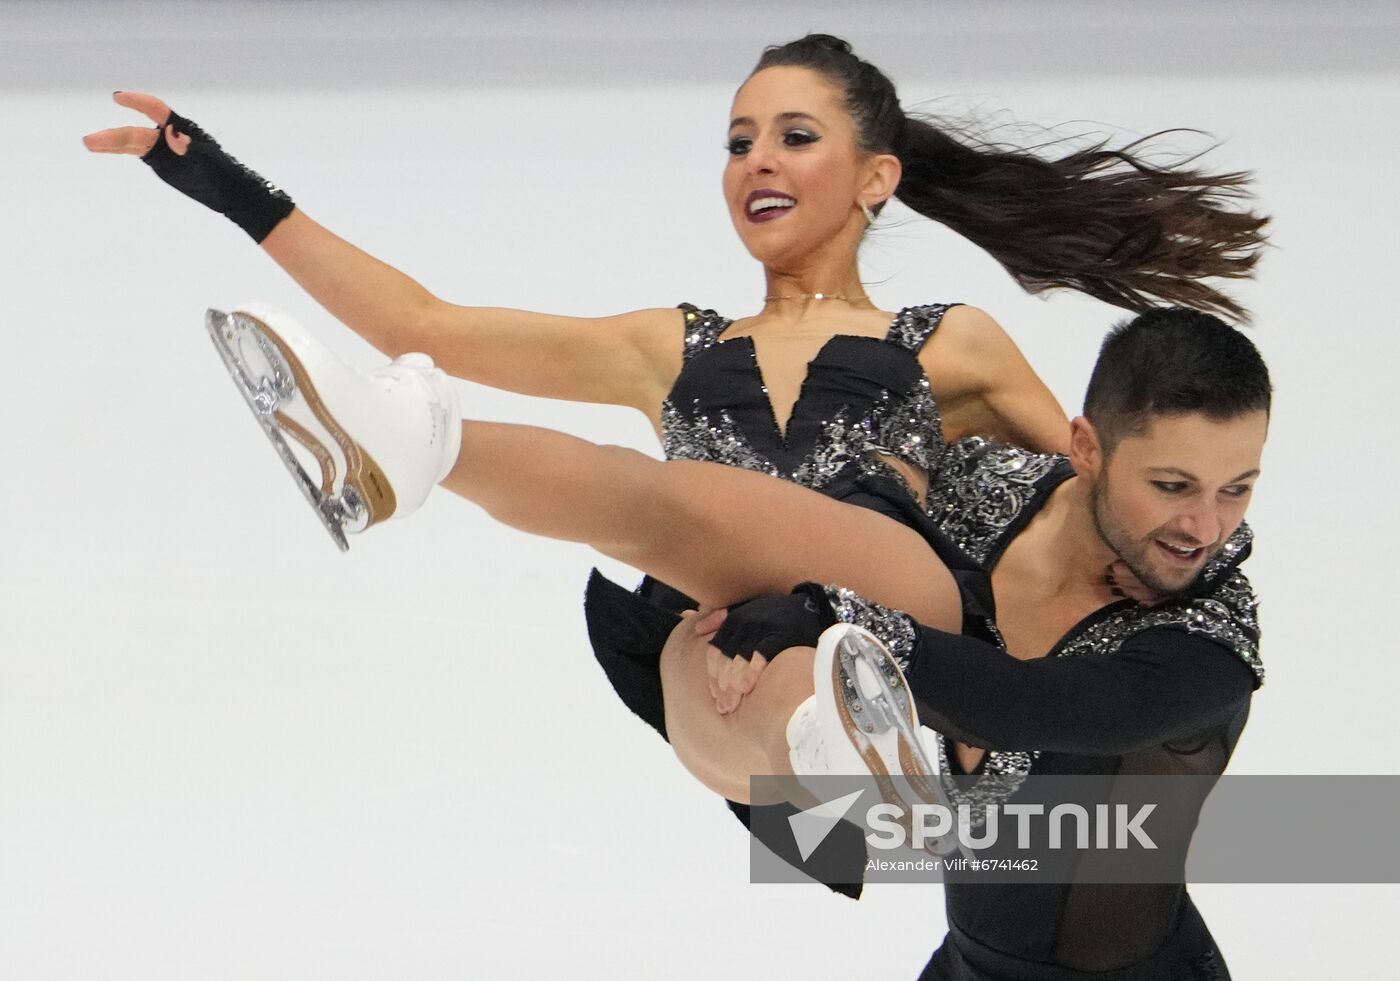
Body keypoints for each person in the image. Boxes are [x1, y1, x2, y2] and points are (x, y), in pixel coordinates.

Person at [684, 306, 1268, 979]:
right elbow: (838, 491)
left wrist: (831, 612)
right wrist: (776, 595)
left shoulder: (1212, 632)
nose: (1204, 524)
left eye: (1237, 489)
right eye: (1172, 485)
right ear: (1086, 449)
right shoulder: (983, 494)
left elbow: (1037, 702)